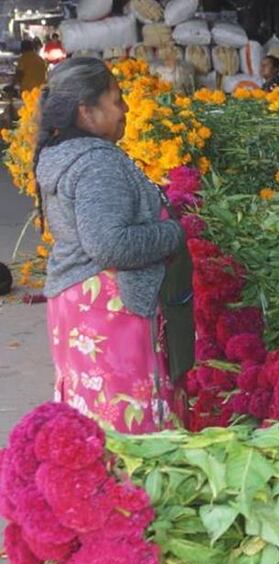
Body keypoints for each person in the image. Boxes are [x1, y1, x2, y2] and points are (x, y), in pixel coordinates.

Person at [35, 57, 193, 434]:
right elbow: (111, 245)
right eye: (116, 99)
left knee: (94, 420)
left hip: (79, 302)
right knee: (129, 432)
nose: (125, 109)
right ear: (85, 111)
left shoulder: (62, 155)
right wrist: (174, 232)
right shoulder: (96, 164)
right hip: (109, 309)